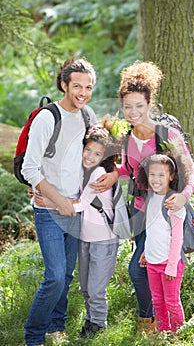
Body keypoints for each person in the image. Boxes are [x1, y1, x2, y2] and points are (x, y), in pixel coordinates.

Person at [92, 61, 194, 334]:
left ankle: (152, 322)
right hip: (141, 214)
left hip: (167, 214)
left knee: (140, 270)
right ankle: (156, 324)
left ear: (150, 104)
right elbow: (131, 169)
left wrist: (184, 198)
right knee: (146, 269)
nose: (133, 112)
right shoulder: (127, 138)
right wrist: (116, 175)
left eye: (139, 106)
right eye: (127, 106)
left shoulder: (167, 134)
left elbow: (191, 172)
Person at [21, 58, 117, 346]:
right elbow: (29, 168)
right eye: (77, 86)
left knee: (68, 273)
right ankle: (34, 336)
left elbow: (100, 153)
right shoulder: (47, 117)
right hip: (50, 211)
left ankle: (56, 326)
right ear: (64, 85)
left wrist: (112, 176)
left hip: (76, 211)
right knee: (55, 276)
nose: (83, 92)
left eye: (88, 87)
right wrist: (56, 198)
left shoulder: (88, 115)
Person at [34, 125, 121, 338]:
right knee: (85, 288)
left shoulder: (99, 173)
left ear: (105, 157)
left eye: (97, 153)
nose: (90, 156)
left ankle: (98, 326)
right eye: (88, 150)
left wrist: (49, 202)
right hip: (86, 238)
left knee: (95, 290)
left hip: (104, 240)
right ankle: (90, 323)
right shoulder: (83, 170)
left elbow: (81, 204)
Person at [138, 153, 186, 332]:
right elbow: (152, 230)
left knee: (172, 302)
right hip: (152, 261)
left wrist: (172, 265)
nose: (156, 179)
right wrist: (145, 251)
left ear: (171, 176)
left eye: (161, 175)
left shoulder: (174, 202)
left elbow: (178, 237)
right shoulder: (150, 198)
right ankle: (163, 334)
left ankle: (178, 336)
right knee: (157, 301)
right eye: (152, 174)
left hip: (169, 263)